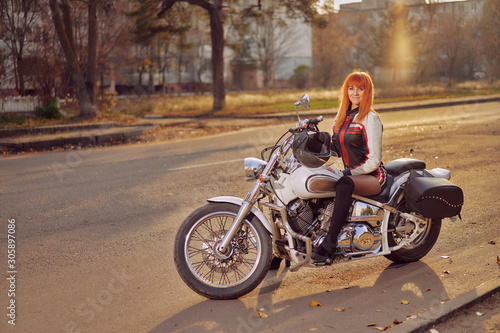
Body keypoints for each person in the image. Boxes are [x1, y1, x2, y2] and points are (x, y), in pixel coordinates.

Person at [313, 71, 387, 261]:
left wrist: (348, 172)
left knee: (343, 183)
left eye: (360, 89)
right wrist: (313, 141)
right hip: (352, 174)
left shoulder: (370, 119)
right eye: (351, 88)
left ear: (367, 92)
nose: (355, 93)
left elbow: (373, 160)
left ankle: (330, 243)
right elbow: (335, 150)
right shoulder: (343, 118)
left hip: (372, 176)